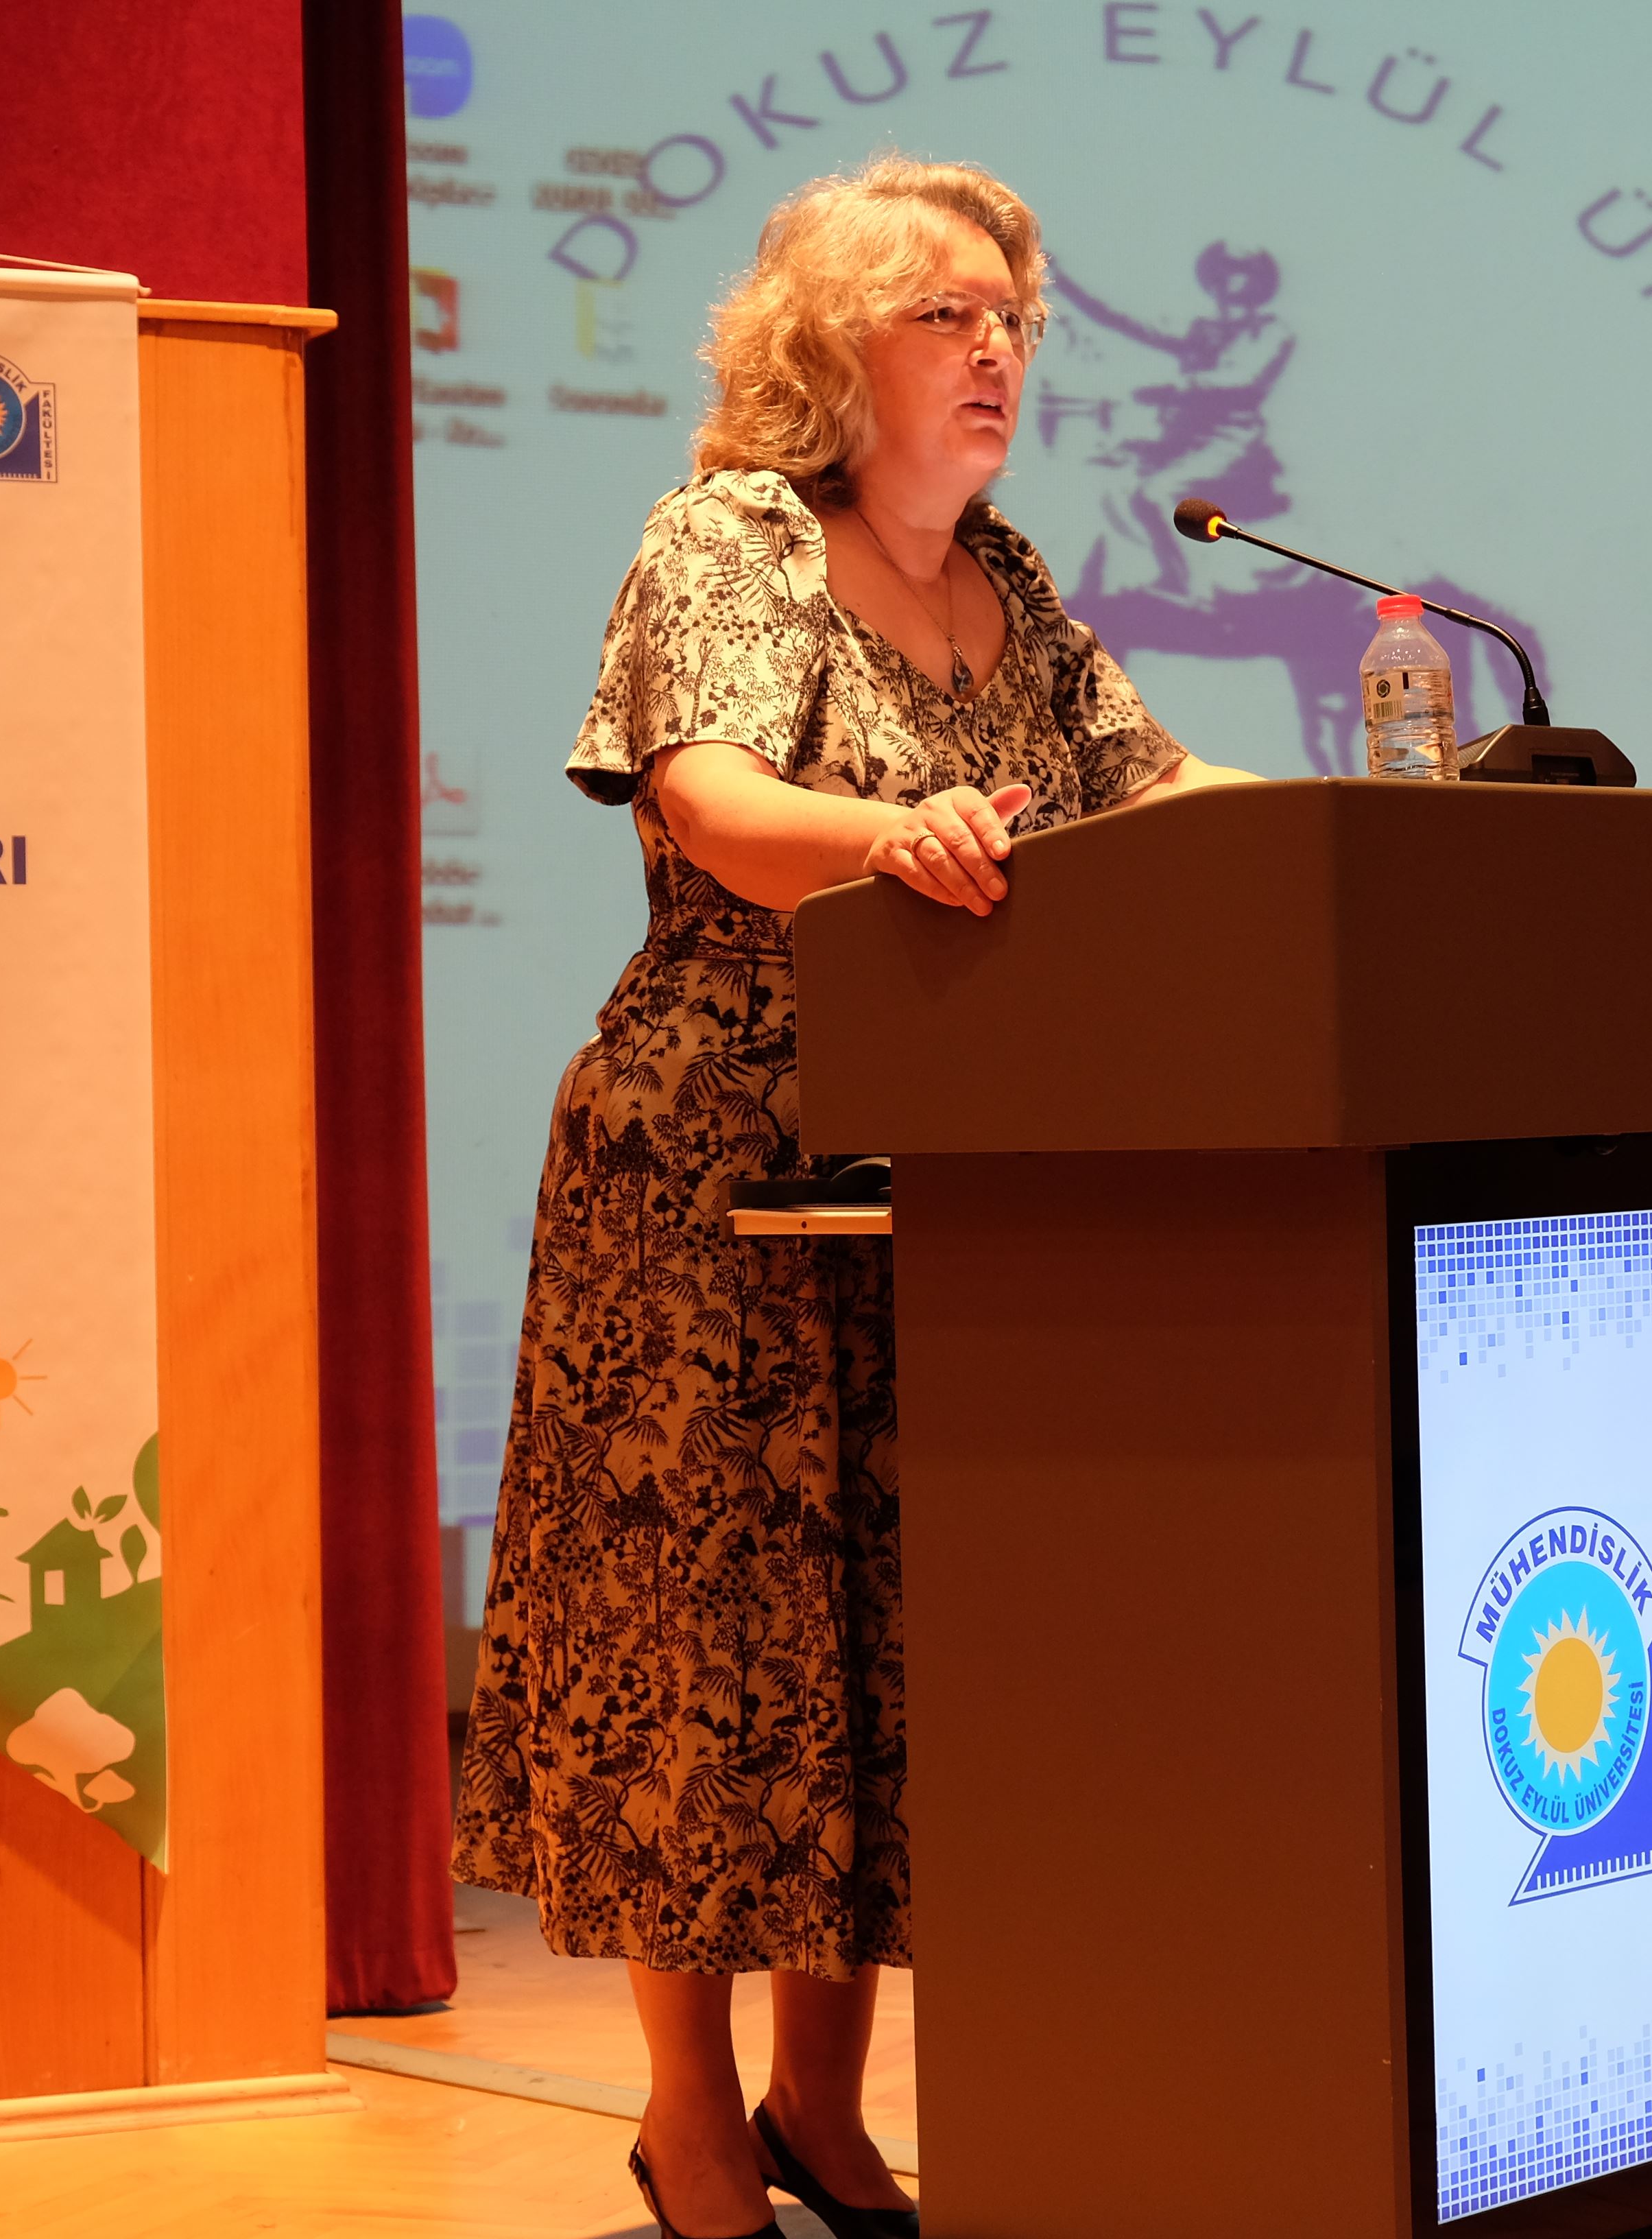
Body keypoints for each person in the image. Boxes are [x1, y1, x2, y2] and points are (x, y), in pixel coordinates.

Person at [452, 156, 1258, 2239]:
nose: (996, 352)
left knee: (886, 1649)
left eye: (1014, 320)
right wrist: (888, 836)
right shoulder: (730, 537)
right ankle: (689, 2115)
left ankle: (823, 2101)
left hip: (941, 1178)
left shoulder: (1011, 580)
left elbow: (1159, 797)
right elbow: (715, 804)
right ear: (829, 350)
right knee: (705, 1651)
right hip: (709, 1173)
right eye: (943, 317)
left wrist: (1367, 820)